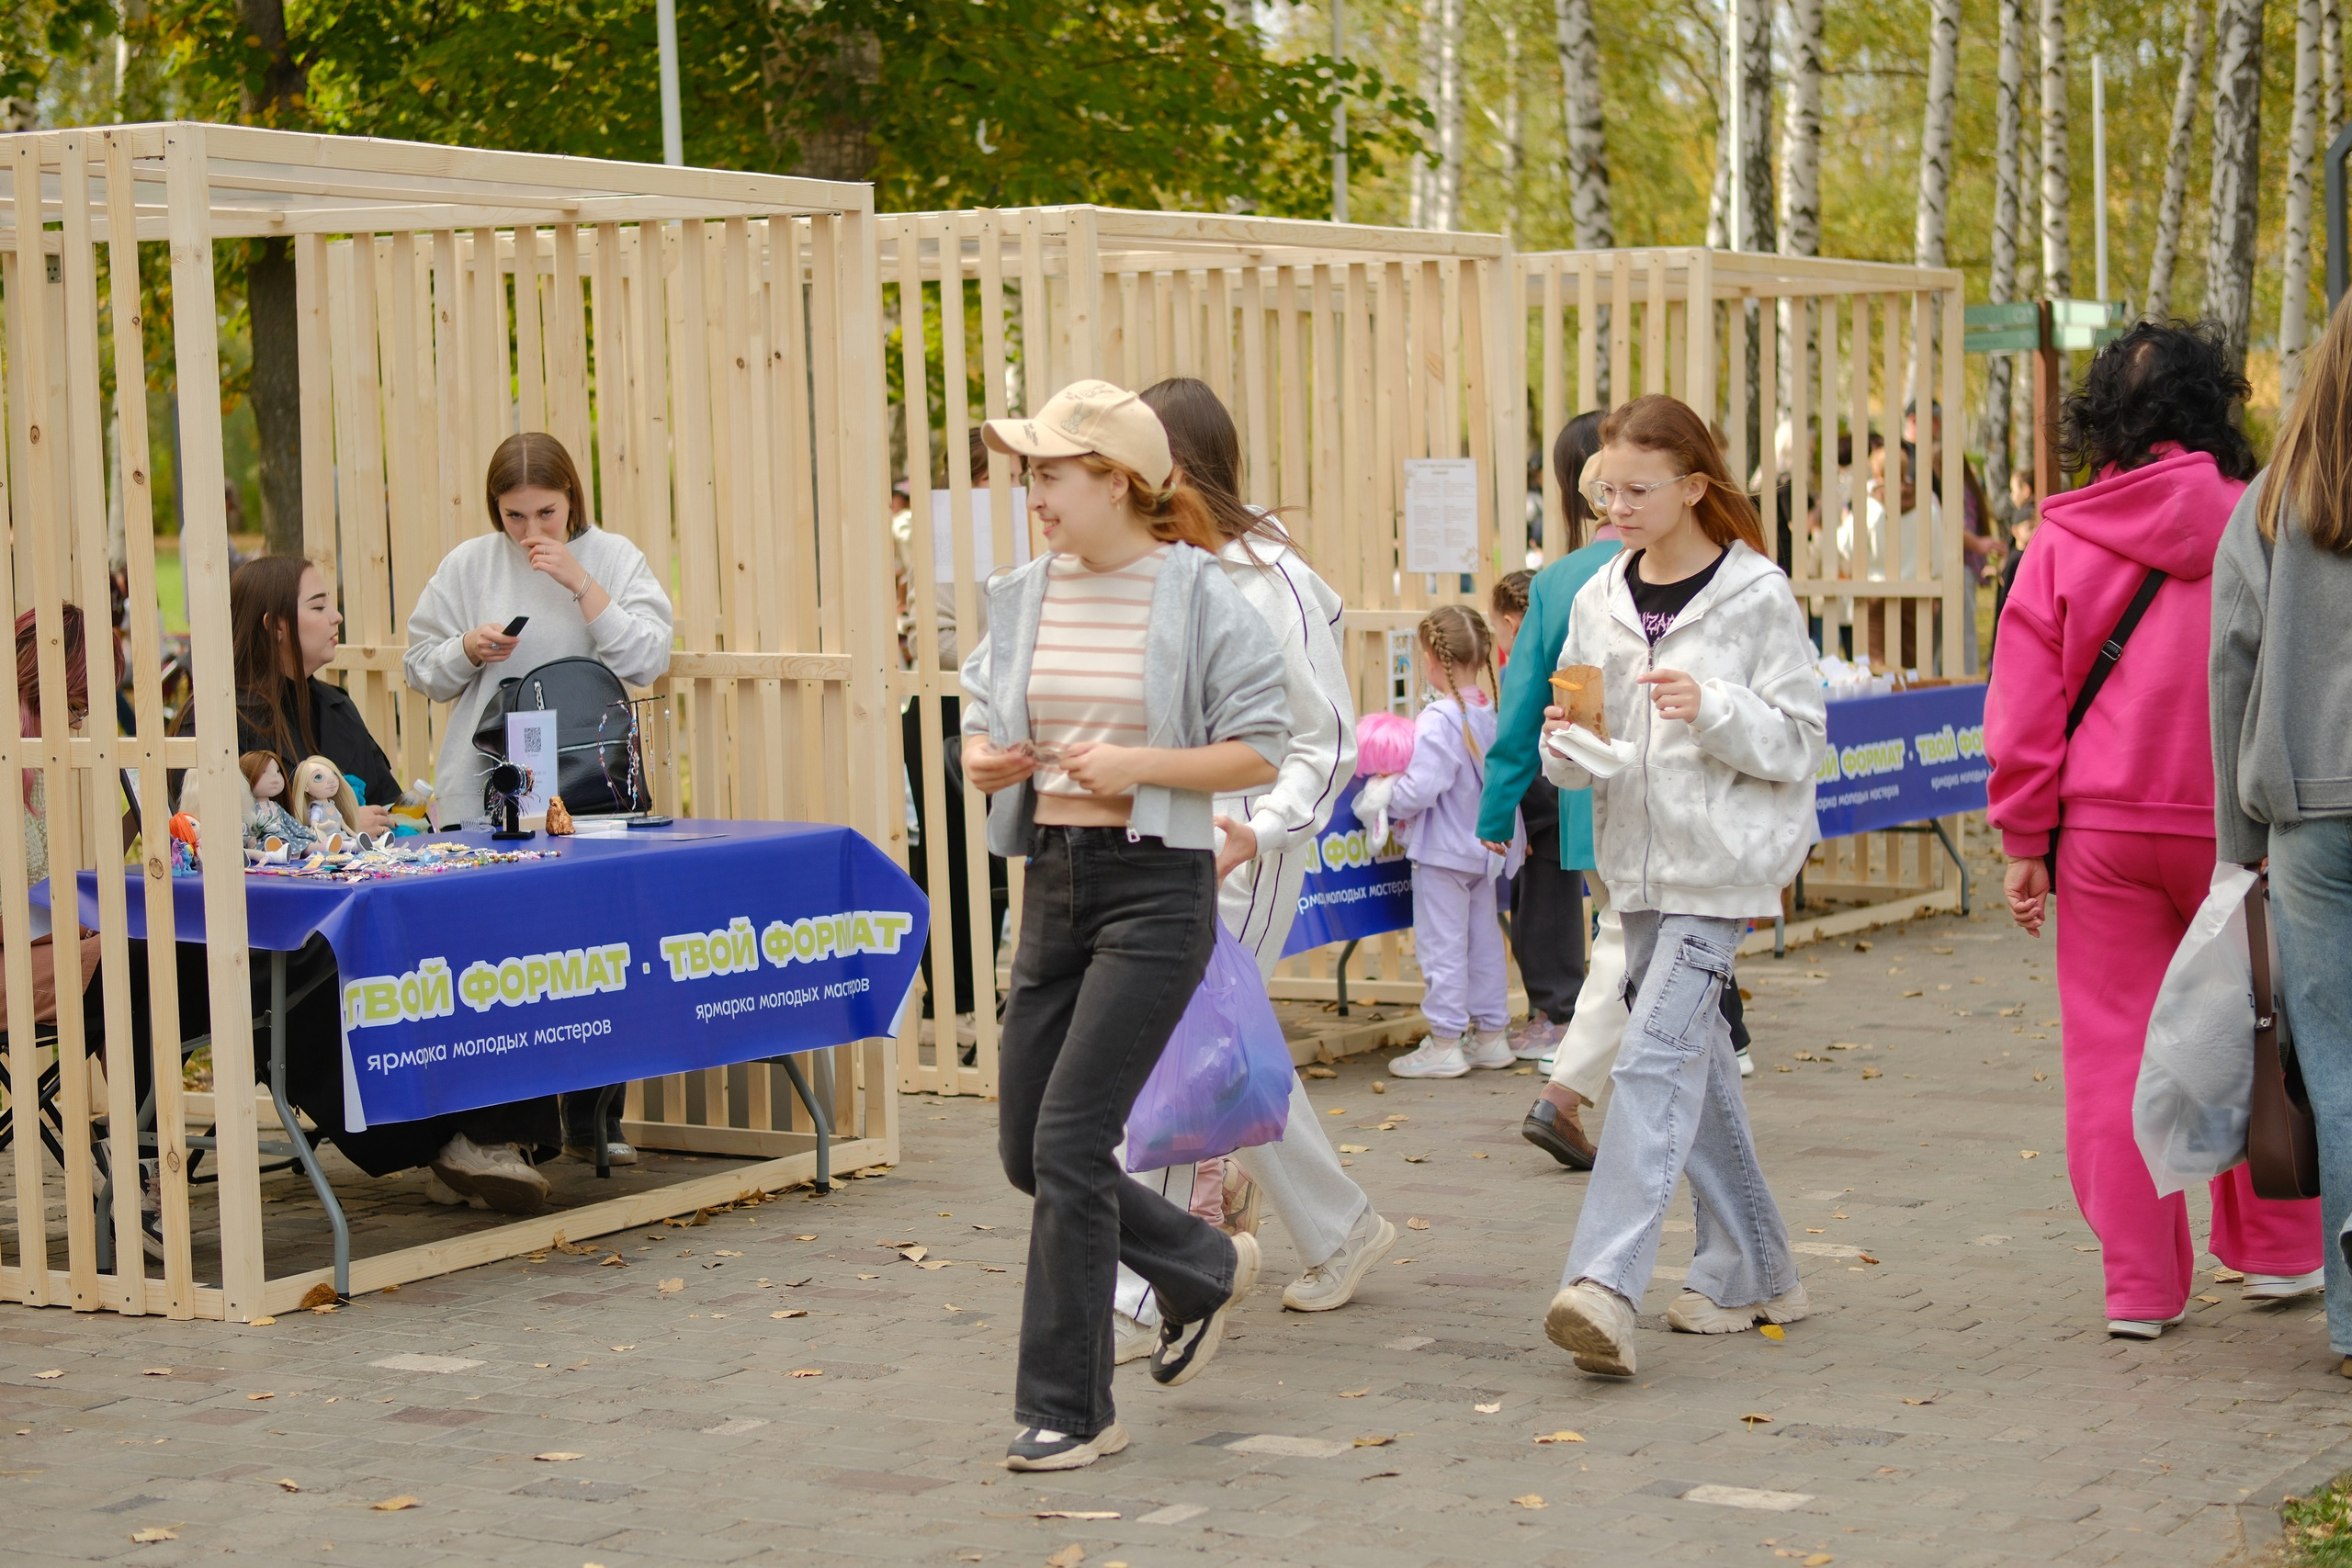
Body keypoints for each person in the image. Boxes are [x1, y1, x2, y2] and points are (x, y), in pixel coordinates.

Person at [960, 378, 1290, 1472]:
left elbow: (1261, 749)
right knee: (1025, 1150)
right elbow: (980, 724)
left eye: (1050, 473)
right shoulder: (1020, 596)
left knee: (1068, 1140)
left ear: (1117, 480)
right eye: (1030, 474)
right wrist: (983, 761)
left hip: (1157, 888)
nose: (1033, 494)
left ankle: (1070, 1410)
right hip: (1052, 879)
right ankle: (1199, 1265)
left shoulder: (1199, 597)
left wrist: (1141, 765)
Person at [2002, 321, 2320, 1339]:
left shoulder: (2062, 536)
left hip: (2101, 836)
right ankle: (2278, 1252)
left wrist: (2022, 840)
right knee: (2261, 1030)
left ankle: (2139, 1287)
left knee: (2110, 1050)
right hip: (2244, 824)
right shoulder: (2263, 519)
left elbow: (2023, 708)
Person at [1092, 376, 1393, 1341]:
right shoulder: (1149, 570)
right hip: (1165, 839)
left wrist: (1261, 831)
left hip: (1245, 851)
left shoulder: (1278, 585)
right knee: (1220, 1052)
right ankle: (1338, 1227)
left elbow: (1327, 740)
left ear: (1172, 465)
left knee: (1178, 1052)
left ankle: (1152, 1291)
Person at [1537, 394, 1822, 1377]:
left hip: (1725, 870)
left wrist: (1712, 706)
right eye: (1603, 489)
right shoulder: (1595, 597)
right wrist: (1566, 746)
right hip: (1637, 872)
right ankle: (1756, 1267)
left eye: (1635, 489)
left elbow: (1798, 739)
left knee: (1650, 1065)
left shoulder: (1755, 595)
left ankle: (1602, 1284)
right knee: (1690, 1074)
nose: (1613, 506)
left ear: (1693, 486)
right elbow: (1578, 744)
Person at [157, 558, 565, 1211]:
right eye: (320, 604)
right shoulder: (217, 721)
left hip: (374, 895)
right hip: (272, 933)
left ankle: (485, 1133)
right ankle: (446, 1139)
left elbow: (394, 798)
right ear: (276, 627)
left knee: (486, 923)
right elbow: (211, 840)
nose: (336, 615)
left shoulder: (332, 705)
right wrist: (325, 832)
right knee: (365, 963)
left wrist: (397, 816)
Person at [405, 432, 673, 1168]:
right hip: (490, 784)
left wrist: (581, 584)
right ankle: (496, 1136)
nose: (530, 532)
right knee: (495, 960)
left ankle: (596, 1119)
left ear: (572, 498)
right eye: (513, 515)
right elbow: (419, 665)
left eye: (545, 513)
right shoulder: (469, 563)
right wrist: (466, 648)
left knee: (598, 950)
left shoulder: (613, 556)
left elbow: (649, 655)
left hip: (590, 781)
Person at [2215, 296, 2352, 1378]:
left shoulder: (2271, 505)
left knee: (2339, 1070)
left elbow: (2234, 673)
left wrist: (2235, 839)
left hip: (2309, 817)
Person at [1479, 412, 1616, 1167]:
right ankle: (1563, 1097)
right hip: (1659, 800)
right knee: (1637, 946)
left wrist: (1497, 807)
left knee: (1631, 942)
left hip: (1583, 798)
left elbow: (1520, 701)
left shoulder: (1559, 579)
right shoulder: (1676, 568)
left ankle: (1570, 1097)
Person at [1370, 605, 1518, 1078]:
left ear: (1434, 657)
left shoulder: (1438, 717)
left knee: (1442, 947)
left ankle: (1445, 1041)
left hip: (1442, 853)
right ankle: (1492, 1035)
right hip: (1485, 852)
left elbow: (1419, 790)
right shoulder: (1490, 711)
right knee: (1484, 943)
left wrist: (1383, 792)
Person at [1487, 570, 1585, 1062]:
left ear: (1510, 622)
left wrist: (1509, 816)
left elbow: (1517, 746)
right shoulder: (1566, 657)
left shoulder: (1526, 668)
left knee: (1546, 919)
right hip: (1551, 808)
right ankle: (1551, 1014)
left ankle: (1559, 1016)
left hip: (1543, 812)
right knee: (1536, 915)